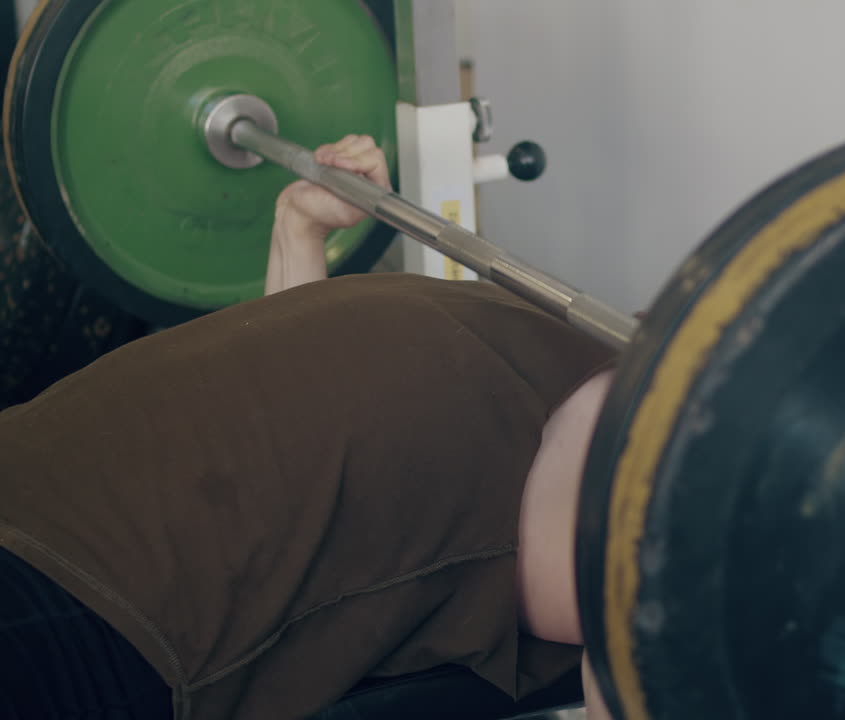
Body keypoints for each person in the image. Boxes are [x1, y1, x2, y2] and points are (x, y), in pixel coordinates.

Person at [0, 136, 616, 719]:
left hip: (118, 585)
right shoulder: (580, 339)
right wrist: (300, 228)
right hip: (47, 472)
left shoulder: (661, 470)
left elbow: (656, 639)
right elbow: (291, 392)